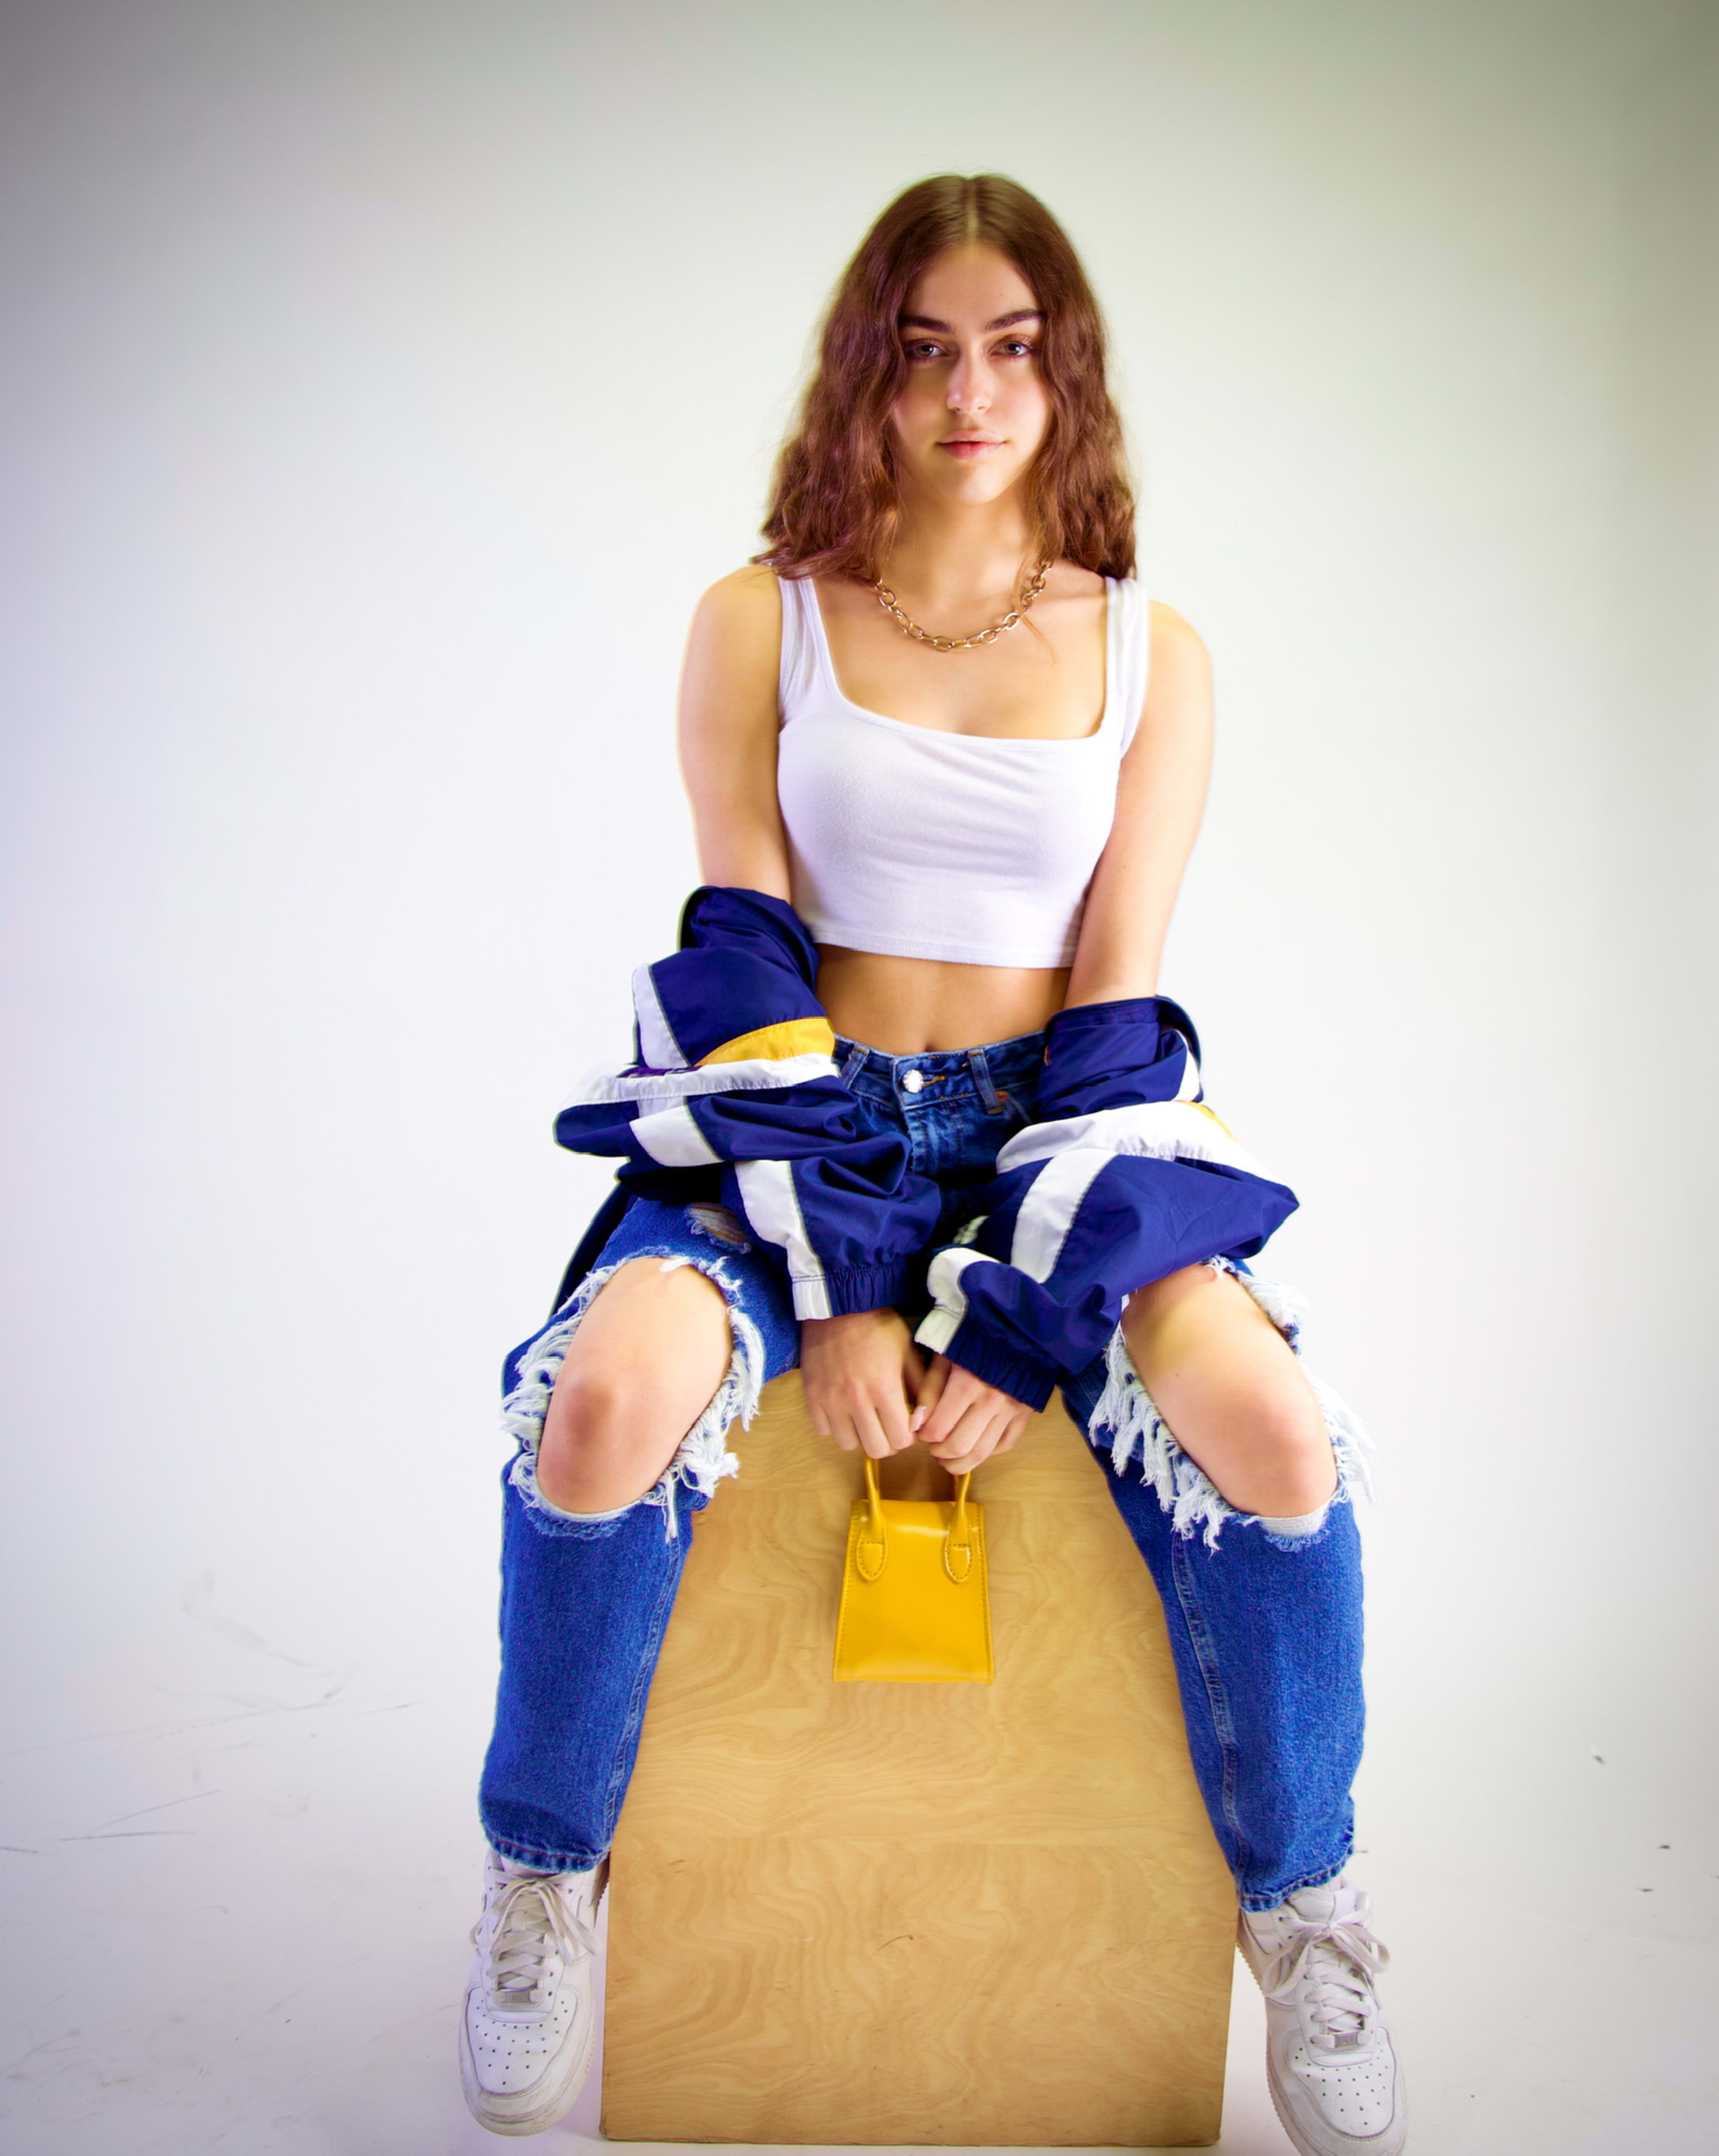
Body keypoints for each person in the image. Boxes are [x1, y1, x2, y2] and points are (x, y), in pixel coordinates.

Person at [459, 173, 1407, 2156]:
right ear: (866, 374)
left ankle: (1304, 1905)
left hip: (1060, 1122)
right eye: (924, 348)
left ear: (1064, 374)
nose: (972, 391)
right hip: (797, 1105)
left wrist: (1035, 1299)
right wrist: (847, 1279)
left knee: (1284, 1435)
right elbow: (741, 954)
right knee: (610, 1396)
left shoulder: (1156, 652)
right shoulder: (762, 617)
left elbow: (1123, 997)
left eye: (1014, 346)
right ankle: (545, 1873)